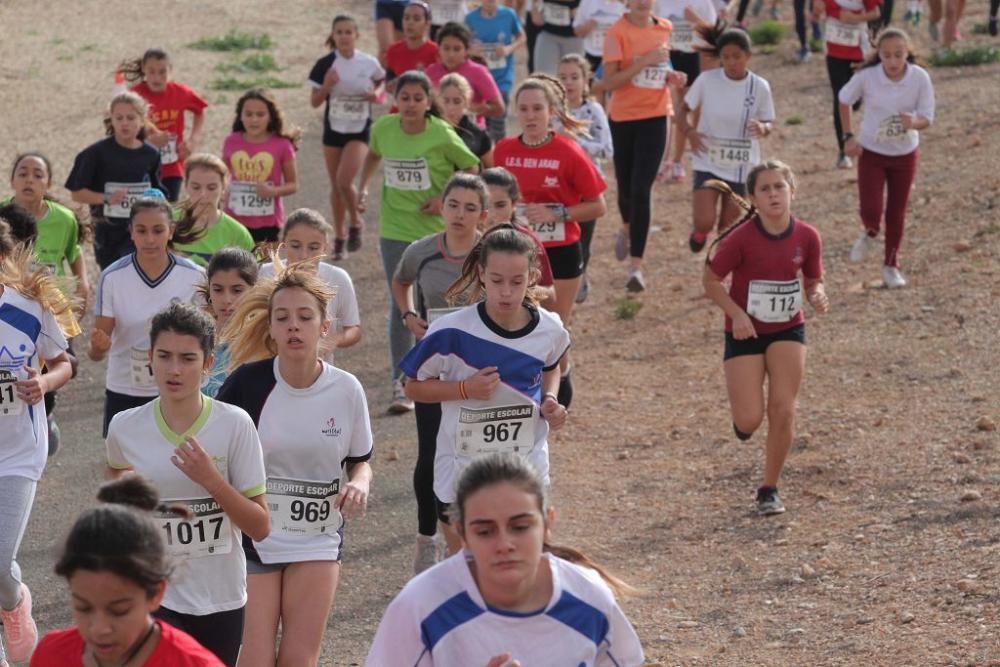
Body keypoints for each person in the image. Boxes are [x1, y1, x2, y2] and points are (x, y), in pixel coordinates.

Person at [217, 263, 373, 667]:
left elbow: (361, 461)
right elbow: (219, 457)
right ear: (269, 328)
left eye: (305, 317)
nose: (293, 327)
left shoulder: (346, 389)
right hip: (255, 540)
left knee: (298, 660)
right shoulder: (245, 385)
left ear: (325, 327)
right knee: (254, 660)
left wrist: (360, 484)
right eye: (282, 318)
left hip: (317, 539)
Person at [105, 303, 269, 666]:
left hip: (221, 597)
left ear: (208, 363)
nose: (174, 369)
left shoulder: (235, 425)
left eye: (187, 358)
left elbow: (260, 526)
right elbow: (113, 505)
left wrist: (212, 480)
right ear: (150, 357)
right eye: (164, 356)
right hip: (154, 595)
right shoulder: (124, 428)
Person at [365, 453, 644, 666]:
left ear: (548, 523)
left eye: (520, 527)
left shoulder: (589, 599)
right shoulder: (420, 607)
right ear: (462, 534)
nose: (504, 545)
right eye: (485, 531)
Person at [400, 226, 570, 555]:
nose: (506, 292)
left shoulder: (550, 329)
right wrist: (465, 388)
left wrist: (550, 399)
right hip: (462, 467)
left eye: (517, 281)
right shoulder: (449, 332)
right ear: (480, 273)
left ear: (533, 277)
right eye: (496, 280)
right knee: (467, 566)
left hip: (526, 463)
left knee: (526, 561)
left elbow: (552, 367)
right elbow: (414, 387)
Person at [702, 161, 828, 516]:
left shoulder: (807, 236)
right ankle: (743, 423)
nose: (774, 194)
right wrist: (737, 313)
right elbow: (710, 281)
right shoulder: (741, 239)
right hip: (745, 332)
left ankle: (769, 488)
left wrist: (818, 294)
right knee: (750, 420)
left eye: (779, 187)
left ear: (792, 191)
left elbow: (813, 280)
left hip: (788, 328)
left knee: (784, 409)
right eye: (765, 189)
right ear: (753, 198)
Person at [358, 70, 480, 414]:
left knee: (438, 304)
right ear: (396, 99)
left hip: (435, 231)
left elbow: (471, 167)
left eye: (417, 98)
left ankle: (445, 373)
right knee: (402, 305)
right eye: (404, 98)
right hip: (395, 229)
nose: (410, 104)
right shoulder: (384, 128)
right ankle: (402, 383)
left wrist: (445, 200)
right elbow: (373, 155)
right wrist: (363, 186)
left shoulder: (440, 133)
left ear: (429, 102)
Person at [391, 174, 487, 574]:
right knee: (431, 455)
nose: (460, 215)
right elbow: (401, 281)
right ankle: (426, 538)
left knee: (474, 457)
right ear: (441, 207)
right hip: (432, 372)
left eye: (469, 208)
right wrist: (410, 315)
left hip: (480, 373)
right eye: (453, 206)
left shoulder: (490, 253)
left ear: (482, 214)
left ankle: (469, 541)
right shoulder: (422, 251)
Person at [30, 476, 225, 666]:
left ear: (156, 593)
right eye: (83, 608)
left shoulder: (193, 663)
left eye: (119, 611)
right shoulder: (51, 655)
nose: (99, 629)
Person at [495, 75, 606, 406]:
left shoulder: (569, 151)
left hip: (560, 251)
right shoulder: (503, 150)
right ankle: (522, 388)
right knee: (517, 318)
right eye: (524, 109)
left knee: (554, 324)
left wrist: (558, 213)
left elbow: (597, 205)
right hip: (515, 251)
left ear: (552, 111)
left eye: (538, 109)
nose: (531, 115)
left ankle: (561, 378)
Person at [0, 219, 74, 667]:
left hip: (17, 452)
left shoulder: (27, 308)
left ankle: (14, 602)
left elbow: (65, 362)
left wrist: (44, 383)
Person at [88, 196, 205, 437]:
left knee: (178, 465)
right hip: (125, 388)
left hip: (179, 389)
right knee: (122, 470)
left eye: (158, 230)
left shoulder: (195, 276)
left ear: (171, 231)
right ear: (131, 232)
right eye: (142, 231)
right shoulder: (112, 277)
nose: (150, 239)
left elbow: (208, 336)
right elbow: (97, 351)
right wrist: (98, 348)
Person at [601, 0, 687, 292]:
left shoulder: (665, 27)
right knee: (624, 187)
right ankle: (626, 226)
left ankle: (636, 268)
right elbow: (610, 82)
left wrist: (672, 75)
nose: (641, 2)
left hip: (656, 116)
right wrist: (644, 62)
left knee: (641, 188)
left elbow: (664, 65)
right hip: (623, 118)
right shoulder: (616, 33)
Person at [839, 27, 934, 289]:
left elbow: (928, 118)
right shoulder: (867, 76)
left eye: (898, 55)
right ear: (878, 54)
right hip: (872, 151)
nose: (892, 62)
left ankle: (891, 266)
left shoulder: (919, 78)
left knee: (897, 211)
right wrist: (848, 137)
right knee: (871, 208)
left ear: (908, 54)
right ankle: (870, 232)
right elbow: (844, 100)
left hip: (904, 154)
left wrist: (913, 122)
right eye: (887, 55)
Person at [677, 25, 775, 255]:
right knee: (704, 221)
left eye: (737, 56)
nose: (731, 62)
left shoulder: (759, 86)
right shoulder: (707, 80)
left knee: (728, 229)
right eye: (726, 57)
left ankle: (717, 274)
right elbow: (683, 110)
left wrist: (763, 127)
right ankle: (699, 233)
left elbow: (769, 122)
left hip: (741, 164)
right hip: (707, 158)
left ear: (748, 56)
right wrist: (690, 132)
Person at [308, 15, 386, 260]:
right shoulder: (326, 64)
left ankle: (356, 222)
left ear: (356, 35)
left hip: (359, 129)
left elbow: (383, 83)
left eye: (348, 31)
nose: (343, 36)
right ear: (333, 36)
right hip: (333, 128)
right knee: (336, 186)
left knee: (344, 180)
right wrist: (328, 86)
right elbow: (314, 102)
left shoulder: (368, 62)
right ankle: (340, 236)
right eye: (339, 32)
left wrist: (377, 94)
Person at [66, 92, 165, 270]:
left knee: (136, 272)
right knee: (113, 277)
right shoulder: (95, 154)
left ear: (142, 120)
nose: (124, 123)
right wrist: (106, 198)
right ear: (111, 120)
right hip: (107, 232)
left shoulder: (151, 154)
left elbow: (158, 192)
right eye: (119, 118)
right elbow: (76, 193)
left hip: (140, 230)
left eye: (130, 117)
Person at [259, 209, 363, 357]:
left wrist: (333, 340)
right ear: (283, 243)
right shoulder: (264, 274)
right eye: (295, 246)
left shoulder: (338, 278)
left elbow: (354, 328)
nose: (304, 255)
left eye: (313, 248)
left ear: (325, 248)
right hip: (270, 368)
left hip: (318, 371)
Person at [556, 54, 612, 302]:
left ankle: (580, 274)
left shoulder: (593, 110)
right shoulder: (551, 111)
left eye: (574, 77)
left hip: (587, 187)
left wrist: (576, 145)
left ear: (585, 80)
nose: (568, 83)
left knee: (582, 239)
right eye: (562, 78)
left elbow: (607, 150)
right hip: (556, 185)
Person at [123, 48, 209, 202]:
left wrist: (192, 140)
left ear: (170, 70)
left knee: (168, 208)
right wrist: (147, 142)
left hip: (172, 165)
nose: (157, 78)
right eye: (151, 72)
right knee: (143, 209)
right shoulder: (134, 96)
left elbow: (200, 111)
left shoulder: (181, 93)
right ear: (143, 69)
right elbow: (122, 128)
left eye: (162, 72)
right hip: (142, 163)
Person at [6, 152, 90, 306]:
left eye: (38, 176)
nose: (29, 180)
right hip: (8, 303)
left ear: (49, 184)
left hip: (51, 305)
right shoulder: (1, 215)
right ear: (12, 181)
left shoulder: (65, 219)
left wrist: (83, 286)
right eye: (23, 174)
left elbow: (74, 252)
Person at [222, 89, 300, 245]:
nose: (254, 120)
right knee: (234, 267)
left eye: (260, 114)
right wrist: (224, 190)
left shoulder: (282, 145)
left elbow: (293, 185)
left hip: (268, 221)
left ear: (270, 116)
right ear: (240, 116)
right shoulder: (231, 141)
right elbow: (222, 175)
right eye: (249, 114)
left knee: (265, 268)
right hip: (234, 217)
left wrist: (273, 191)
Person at [654, 0, 718, 182]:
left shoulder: (703, 3)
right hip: (668, 57)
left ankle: (677, 160)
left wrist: (695, 20)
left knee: (685, 109)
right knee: (669, 110)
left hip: (691, 56)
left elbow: (713, 34)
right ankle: (663, 159)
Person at [813, 0, 881, 170]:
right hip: (834, 52)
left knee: (855, 100)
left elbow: (876, 13)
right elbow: (816, 13)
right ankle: (843, 148)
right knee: (841, 98)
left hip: (859, 52)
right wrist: (817, 11)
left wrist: (855, 17)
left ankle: (851, 112)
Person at [480, 166, 556, 294]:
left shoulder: (527, 242)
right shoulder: (463, 237)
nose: (492, 214)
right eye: (486, 205)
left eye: (500, 205)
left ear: (514, 204)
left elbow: (550, 293)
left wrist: (518, 286)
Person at [171, 154, 255, 267]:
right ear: (186, 185)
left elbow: (255, 276)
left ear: (223, 188)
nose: (203, 194)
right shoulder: (167, 223)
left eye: (211, 188)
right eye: (196, 187)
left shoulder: (238, 234)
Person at [198, 248, 259, 398]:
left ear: (254, 290)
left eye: (237, 290)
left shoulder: (264, 343)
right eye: (218, 290)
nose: (227, 300)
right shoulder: (195, 339)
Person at [465, 0, 526, 140]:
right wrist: (472, 49)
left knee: (499, 122)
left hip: (502, 78)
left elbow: (521, 37)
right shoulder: (470, 18)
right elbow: (463, 45)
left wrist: (508, 49)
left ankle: (499, 153)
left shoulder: (508, 14)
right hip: (479, 80)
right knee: (481, 125)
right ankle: (485, 156)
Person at [426, 22, 507, 123]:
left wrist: (468, 110)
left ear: (467, 50)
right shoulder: (431, 72)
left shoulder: (478, 72)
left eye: (457, 49)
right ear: (439, 49)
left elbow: (499, 107)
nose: (451, 54)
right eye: (446, 48)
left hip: (471, 132)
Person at [438, 73, 495, 168]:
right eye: (446, 101)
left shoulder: (478, 136)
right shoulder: (429, 129)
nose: (450, 107)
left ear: (467, 102)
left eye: (457, 102)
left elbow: (491, 171)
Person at [384, 2, 440, 88]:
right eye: (406, 18)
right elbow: (388, 81)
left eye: (416, 19)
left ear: (427, 23)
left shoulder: (436, 52)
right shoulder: (393, 50)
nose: (410, 22)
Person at [531, 0, 585, 74]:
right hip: (548, 35)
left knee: (573, 76)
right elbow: (537, 20)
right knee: (544, 77)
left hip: (574, 37)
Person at [572, 0, 625, 74]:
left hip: (615, 57)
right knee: (591, 84)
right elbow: (577, 31)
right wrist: (586, 27)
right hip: (592, 55)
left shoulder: (627, 4)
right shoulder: (587, 2)